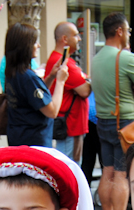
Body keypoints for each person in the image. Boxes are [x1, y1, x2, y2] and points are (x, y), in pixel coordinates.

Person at [91, 12, 134, 210]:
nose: (129, 34)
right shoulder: (126, 57)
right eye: (128, 30)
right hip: (125, 123)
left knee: (107, 172)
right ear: (119, 31)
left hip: (103, 122)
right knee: (122, 175)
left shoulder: (96, 59)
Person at [4, 23, 68, 148]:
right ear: (25, 46)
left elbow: (34, 97)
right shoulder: (28, 77)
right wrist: (60, 82)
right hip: (35, 142)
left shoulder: (13, 73)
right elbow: (52, 111)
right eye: (34, 42)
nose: (38, 45)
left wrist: (51, 77)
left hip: (18, 138)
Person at [45, 22, 91, 162]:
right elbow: (85, 90)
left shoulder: (60, 60)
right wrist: (87, 80)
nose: (79, 39)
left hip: (69, 126)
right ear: (65, 39)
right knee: (69, 166)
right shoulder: (64, 63)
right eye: (76, 35)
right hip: (71, 127)